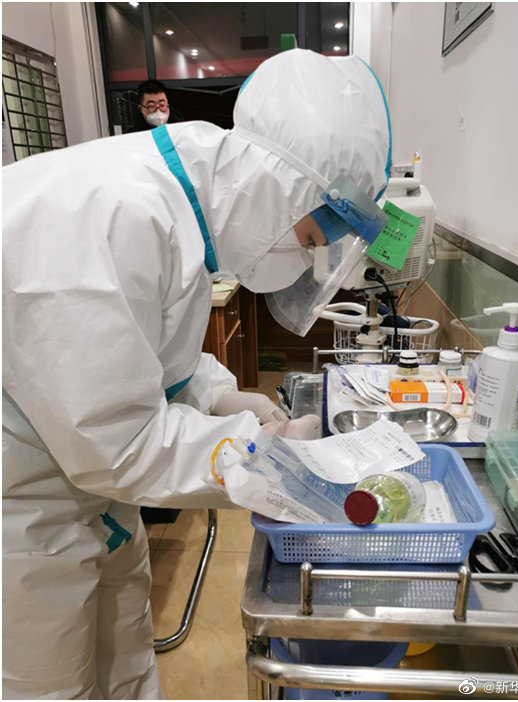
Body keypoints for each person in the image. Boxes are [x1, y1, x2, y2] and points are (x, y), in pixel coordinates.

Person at [2, 49, 390, 699]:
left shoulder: (179, 210)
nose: (304, 258)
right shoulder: (109, 213)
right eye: (310, 238)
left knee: (126, 662)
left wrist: (220, 393)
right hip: (22, 505)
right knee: (50, 685)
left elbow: (142, 353)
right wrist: (260, 454)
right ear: (279, 188)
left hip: (86, 491)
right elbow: (116, 441)